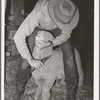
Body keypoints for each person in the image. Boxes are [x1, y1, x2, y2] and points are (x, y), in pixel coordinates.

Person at [13, 0, 79, 100]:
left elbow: (66, 34)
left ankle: (71, 94)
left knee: (69, 57)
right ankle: (19, 89)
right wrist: (31, 59)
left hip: (59, 29)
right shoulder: (39, 12)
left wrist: (52, 43)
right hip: (39, 26)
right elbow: (18, 36)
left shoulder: (69, 13)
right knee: (26, 61)